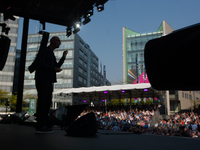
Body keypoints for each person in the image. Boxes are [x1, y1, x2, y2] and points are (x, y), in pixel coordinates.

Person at [34, 36, 67, 133]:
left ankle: (43, 124)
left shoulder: (51, 53)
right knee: (43, 102)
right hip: (43, 79)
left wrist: (63, 58)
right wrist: (53, 69)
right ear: (53, 41)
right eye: (58, 41)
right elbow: (40, 64)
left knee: (47, 102)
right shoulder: (45, 50)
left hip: (48, 80)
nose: (60, 43)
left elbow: (56, 66)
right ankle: (40, 125)